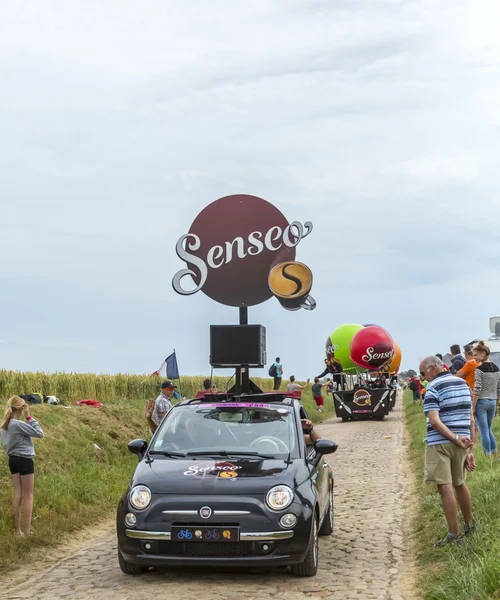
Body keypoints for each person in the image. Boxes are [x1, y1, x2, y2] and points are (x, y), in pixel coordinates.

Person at [420, 356, 475, 546]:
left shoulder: (433, 388)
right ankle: (469, 525)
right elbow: (471, 420)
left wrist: (453, 438)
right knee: (460, 483)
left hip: (440, 442)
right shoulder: (464, 384)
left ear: (433, 368)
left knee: (445, 487)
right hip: (463, 440)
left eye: (423, 373)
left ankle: (453, 535)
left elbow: (434, 421)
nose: (422, 378)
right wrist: (469, 449)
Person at [0, 396, 44, 537]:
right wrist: (29, 417)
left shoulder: (4, 425)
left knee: (18, 494)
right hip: (24, 460)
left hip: (12, 460)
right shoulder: (17, 424)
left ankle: (17, 531)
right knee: (28, 496)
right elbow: (39, 434)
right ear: (21, 407)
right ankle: (27, 531)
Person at [472, 341, 500, 456]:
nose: (474, 357)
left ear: (483, 354)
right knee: (489, 429)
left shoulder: (479, 370)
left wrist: (473, 407)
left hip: (482, 402)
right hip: (493, 402)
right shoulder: (497, 368)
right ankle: (494, 453)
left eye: (475, 355)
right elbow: (499, 389)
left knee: (484, 431)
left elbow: (477, 389)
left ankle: (487, 455)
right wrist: (497, 405)